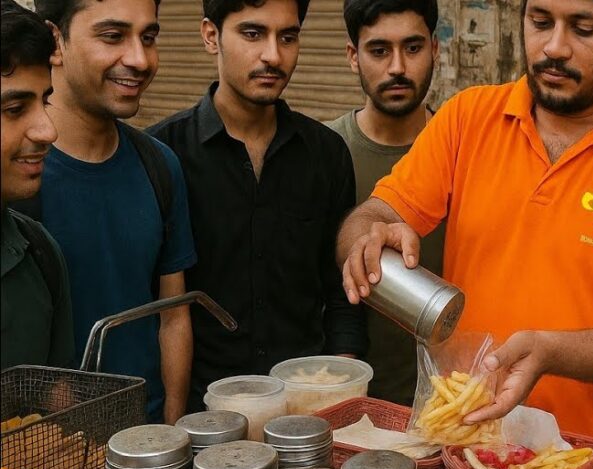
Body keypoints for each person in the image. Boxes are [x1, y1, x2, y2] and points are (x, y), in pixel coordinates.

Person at [336, 0, 593, 453]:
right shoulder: (468, 119)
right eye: (540, 22)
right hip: (467, 452)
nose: (554, 47)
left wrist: (551, 352)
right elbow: (371, 216)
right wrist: (367, 238)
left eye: (583, 28)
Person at [149, 0, 365, 413]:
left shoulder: (326, 154)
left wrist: (339, 390)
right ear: (211, 36)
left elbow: (343, 290)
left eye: (288, 37)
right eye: (252, 34)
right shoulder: (163, 154)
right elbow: (159, 309)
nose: (273, 55)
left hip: (306, 410)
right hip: (205, 416)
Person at [32, 0, 196, 424]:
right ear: (55, 41)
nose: (140, 59)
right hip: (39, 456)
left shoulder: (159, 164)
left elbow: (173, 314)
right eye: (112, 36)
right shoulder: (18, 175)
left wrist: (169, 436)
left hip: (145, 448)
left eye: (149, 37)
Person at [326, 0, 443, 406]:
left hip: (457, 409)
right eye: (379, 51)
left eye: (412, 48)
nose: (397, 67)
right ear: (352, 57)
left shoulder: (467, 151)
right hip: (351, 411)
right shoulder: (320, 154)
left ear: (436, 49)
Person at [1, 0, 72, 370]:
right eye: (14, 109)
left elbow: (54, 411)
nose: (48, 130)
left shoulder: (39, 253)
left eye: (45, 102)